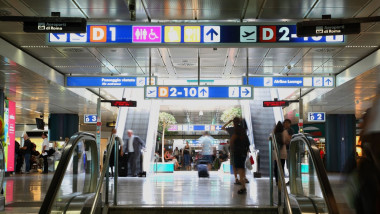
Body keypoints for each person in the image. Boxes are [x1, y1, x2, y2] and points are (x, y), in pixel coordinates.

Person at [230, 117, 250, 194]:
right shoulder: (243, 131)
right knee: (242, 169)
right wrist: (245, 150)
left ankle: (243, 187)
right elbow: (248, 143)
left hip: (237, 153)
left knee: (240, 170)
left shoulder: (236, 132)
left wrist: (232, 150)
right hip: (243, 153)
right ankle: (243, 185)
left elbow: (232, 142)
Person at [273, 121, 286, 186]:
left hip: (276, 153)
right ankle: (281, 181)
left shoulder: (274, 133)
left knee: (276, 167)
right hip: (283, 152)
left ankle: (277, 181)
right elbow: (285, 141)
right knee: (282, 167)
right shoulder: (284, 132)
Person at [283, 118, 294, 185]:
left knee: (289, 165)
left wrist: (285, 140)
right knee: (286, 165)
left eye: (287, 123)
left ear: (290, 124)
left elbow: (289, 139)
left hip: (289, 149)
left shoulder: (291, 130)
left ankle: (291, 180)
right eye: (285, 123)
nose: (286, 124)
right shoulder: (282, 130)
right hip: (283, 149)